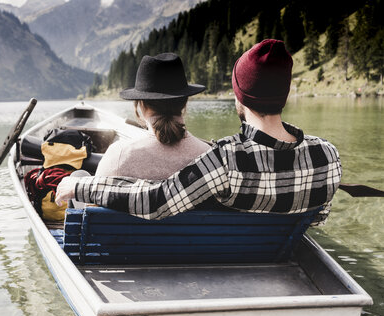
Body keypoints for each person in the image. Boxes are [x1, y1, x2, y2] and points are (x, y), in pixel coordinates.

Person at [56, 39, 341, 225]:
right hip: (271, 252)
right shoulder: (328, 156)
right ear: (286, 94)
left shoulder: (226, 160)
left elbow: (156, 201)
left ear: (238, 97)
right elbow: (316, 219)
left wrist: (80, 185)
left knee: (79, 176)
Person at [95, 53, 211, 180]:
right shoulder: (208, 155)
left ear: (141, 104)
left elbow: (97, 197)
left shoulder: (118, 155)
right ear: (184, 103)